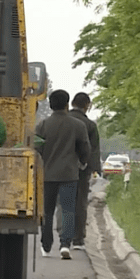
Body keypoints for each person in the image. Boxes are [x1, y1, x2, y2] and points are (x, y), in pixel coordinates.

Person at [35, 89, 90, 259]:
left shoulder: (43, 125)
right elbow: (85, 148)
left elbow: (36, 149)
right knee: (67, 209)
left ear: (51, 105)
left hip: (47, 174)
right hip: (69, 174)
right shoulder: (77, 125)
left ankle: (46, 245)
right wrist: (82, 162)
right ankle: (65, 244)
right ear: (67, 105)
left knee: (47, 211)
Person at [69, 92, 102, 250]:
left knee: (63, 201)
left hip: (62, 167)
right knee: (80, 202)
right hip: (82, 169)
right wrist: (94, 168)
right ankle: (78, 238)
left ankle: (64, 236)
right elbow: (94, 150)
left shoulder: (62, 120)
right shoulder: (90, 125)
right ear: (86, 105)